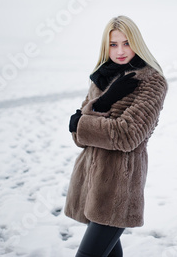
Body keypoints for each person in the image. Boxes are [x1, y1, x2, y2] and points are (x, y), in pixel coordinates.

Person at [65, 15, 168, 257]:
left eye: (126, 43)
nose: (120, 51)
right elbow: (78, 137)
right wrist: (105, 101)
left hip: (118, 190)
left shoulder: (151, 82)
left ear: (137, 43)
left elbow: (128, 135)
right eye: (113, 44)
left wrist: (83, 121)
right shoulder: (102, 77)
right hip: (91, 184)